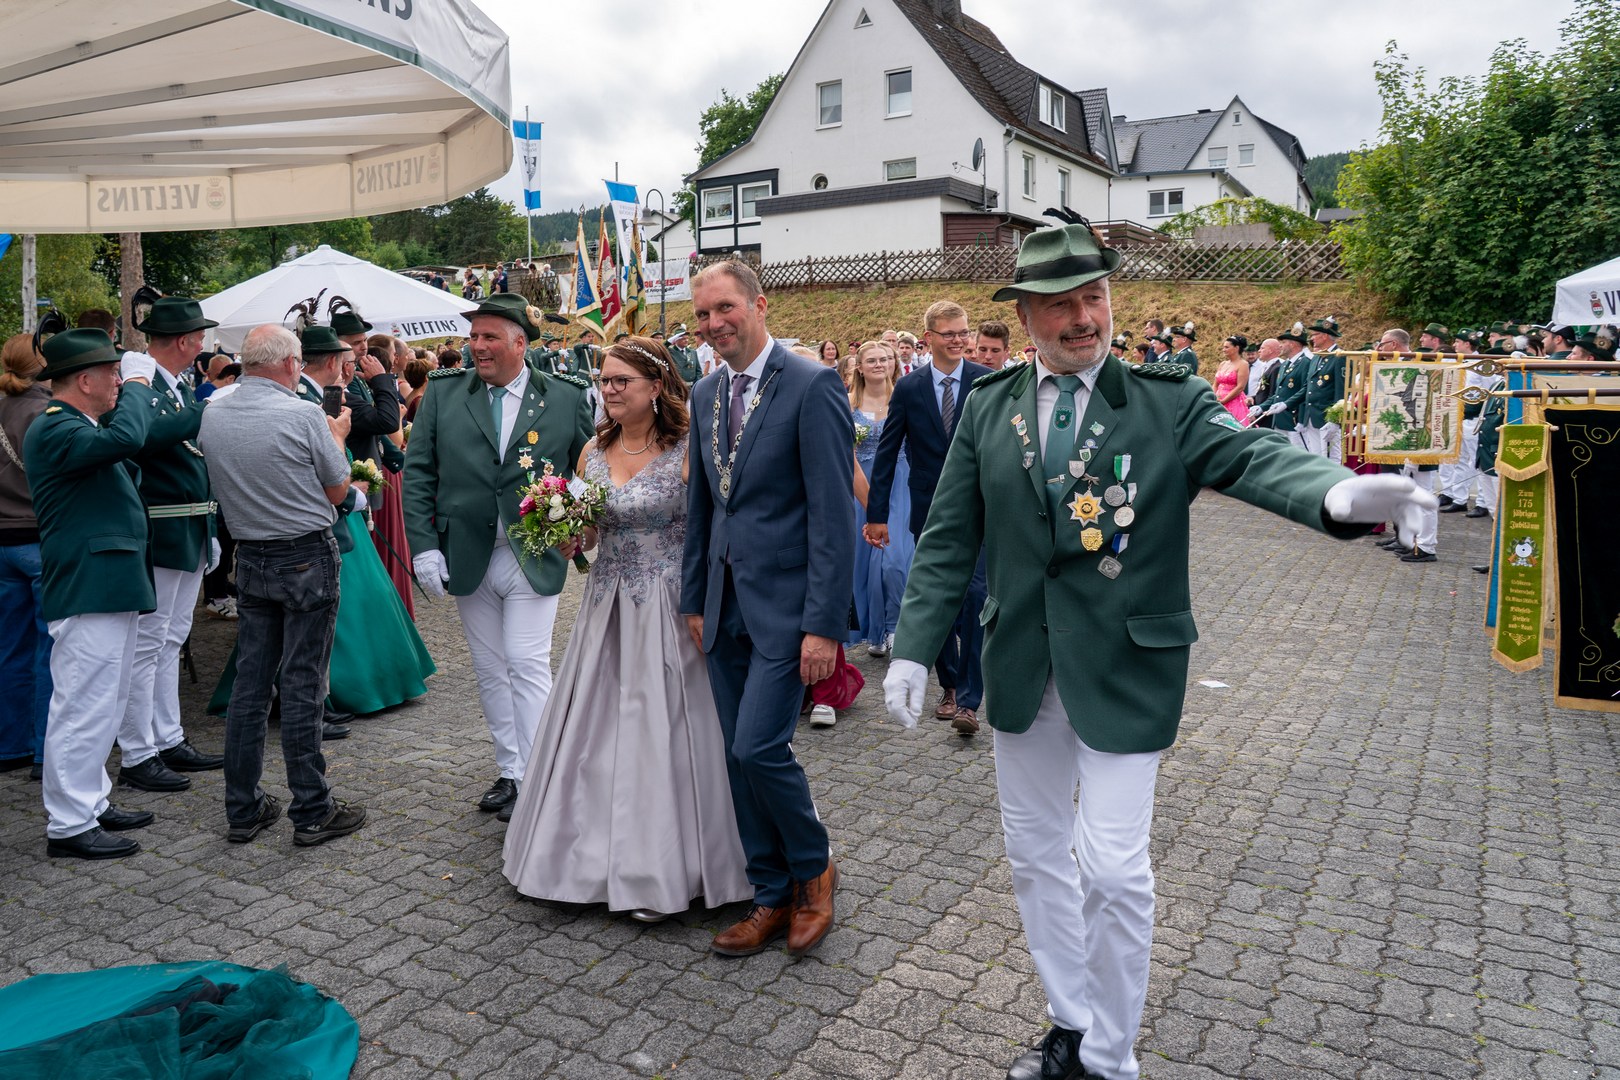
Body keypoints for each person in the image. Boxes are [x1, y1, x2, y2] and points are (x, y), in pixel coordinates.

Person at [879, 217, 1435, 1080]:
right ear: (1023, 316)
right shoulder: (990, 407)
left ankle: (1111, 1057)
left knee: (1112, 870)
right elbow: (951, 535)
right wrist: (915, 645)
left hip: (1125, 669)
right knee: (1035, 857)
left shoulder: (1165, 398)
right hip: (1022, 665)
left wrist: (1333, 494)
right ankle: (1070, 1023)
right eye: (1060, 304)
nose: (1082, 318)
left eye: (1094, 297)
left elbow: (1248, 457)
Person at [503, 336, 751, 919]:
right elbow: (592, 532)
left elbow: (710, 529)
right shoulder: (593, 449)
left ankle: (671, 867)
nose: (609, 390)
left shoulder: (688, 448)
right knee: (598, 725)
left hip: (671, 603)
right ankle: (583, 856)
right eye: (605, 380)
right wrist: (569, 532)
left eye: (621, 381)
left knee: (667, 726)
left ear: (656, 387)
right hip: (605, 604)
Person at [680, 259, 853, 958]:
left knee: (759, 746)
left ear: (759, 304)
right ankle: (770, 892)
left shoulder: (812, 385)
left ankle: (815, 869)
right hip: (722, 606)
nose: (713, 324)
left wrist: (824, 626)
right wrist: (694, 598)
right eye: (702, 314)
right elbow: (702, 506)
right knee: (735, 755)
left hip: (788, 609)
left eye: (724, 308)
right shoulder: (704, 392)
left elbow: (834, 516)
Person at [404, 294, 595, 817]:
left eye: (489, 337)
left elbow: (588, 467)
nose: (477, 346)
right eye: (473, 337)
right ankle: (511, 770)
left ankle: (539, 778)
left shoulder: (563, 396)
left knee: (526, 662)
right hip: (467, 551)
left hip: (531, 550)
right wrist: (424, 547)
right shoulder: (445, 393)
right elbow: (419, 473)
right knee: (490, 668)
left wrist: (575, 521)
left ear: (520, 343)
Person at [202, 325, 370, 846]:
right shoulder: (301, 414)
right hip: (303, 555)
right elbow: (338, 488)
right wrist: (337, 437)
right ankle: (313, 809)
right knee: (302, 683)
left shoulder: (214, 412)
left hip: (251, 554)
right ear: (290, 364)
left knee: (251, 685)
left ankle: (243, 806)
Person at [24, 329, 157, 859]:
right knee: (83, 704)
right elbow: (128, 440)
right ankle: (69, 823)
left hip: (108, 579)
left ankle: (90, 801)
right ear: (84, 380)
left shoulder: (78, 425)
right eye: (113, 374)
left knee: (106, 702)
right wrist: (143, 386)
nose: (119, 382)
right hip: (89, 581)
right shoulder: (55, 425)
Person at [115, 298, 228, 796]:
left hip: (188, 526)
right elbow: (145, 437)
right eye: (199, 337)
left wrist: (209, 526)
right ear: (183, 341)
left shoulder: (176, 386)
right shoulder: (140, 385)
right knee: (148, 643)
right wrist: (207, 408)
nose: (202, 344)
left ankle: (167, 736)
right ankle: (138, 752)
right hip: (161, 529)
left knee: (172, 638)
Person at [863, 300, 991, 736]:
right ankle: (949, 684)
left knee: (976, 595)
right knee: (937, 595)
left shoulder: (986, 381)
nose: (958, 340)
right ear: (929, 338)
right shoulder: (910, 387)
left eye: (963, 332)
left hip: (980, 506)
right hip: (929, 509)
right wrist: (877, 514)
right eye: (949, 333)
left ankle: (969, 700)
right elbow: (887, 452)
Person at [0, 334, 52, 779]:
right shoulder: (46, 412)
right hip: (38, 536)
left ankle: (10, 744)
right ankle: (45, 747)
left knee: (11, 647)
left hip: (3, 541)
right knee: (51, 650)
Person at [848, 341, 912, 665]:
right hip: (860, 484)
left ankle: (895, 627)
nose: (879, 364)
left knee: (894, 560)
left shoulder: (904, 398)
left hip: (899, 484)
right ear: (859, 367)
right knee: (861, 563)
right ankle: (874, 631)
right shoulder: (847, 404)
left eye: (885, 359)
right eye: (871, 360)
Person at [1298, 316, 1346, 463]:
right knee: (1317, 458)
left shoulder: (1340, 356)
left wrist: (1335, 419)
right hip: (1312, 415)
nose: (1311, 338)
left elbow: (1342, 390)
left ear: (1324, 336)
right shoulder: (1317, 357)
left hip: (1327, 417)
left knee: (1332, 459)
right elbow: (1309, 388)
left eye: (1314, 335)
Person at [1213, 334, 1251, 424]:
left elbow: (1240, 387)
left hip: (1233, 401)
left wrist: (1223, 401)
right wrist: (1213, 397)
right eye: (1223, 347)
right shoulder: (1223, 364)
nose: (1223, 350)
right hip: (1217, 400)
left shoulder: (1243, 364)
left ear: (1236, 348)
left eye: (1227, 347)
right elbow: (1215, 384)